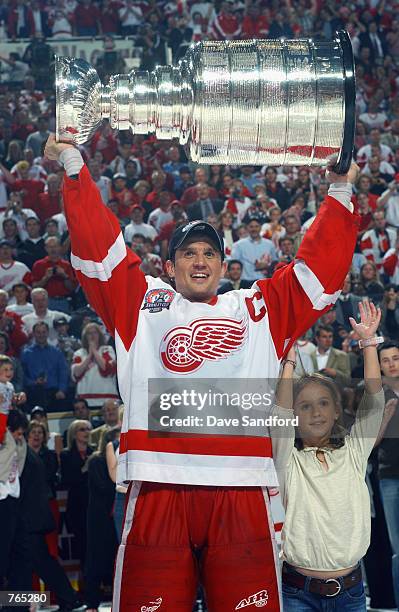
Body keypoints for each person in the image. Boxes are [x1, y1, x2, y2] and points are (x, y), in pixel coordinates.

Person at [46, 135, 359, 612]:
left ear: (223, 266)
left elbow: (318, 275)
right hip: (158, 485)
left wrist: (339, 194)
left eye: (209, 254)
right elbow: (100, 251)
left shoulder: (257, 308)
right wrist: (73, 163)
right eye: (189, 253)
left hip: (241, 489)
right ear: (169, 267)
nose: (200, 261)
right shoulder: (142, 302)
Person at [272, 301, 385, 611]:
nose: (316, 412)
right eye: (305, 406)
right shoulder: (288, 459)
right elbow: (278, 416)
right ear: (294, 416)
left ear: (337, 410)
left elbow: (374, 402)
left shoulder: (354, 451)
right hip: (297, 594)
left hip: (351, 595)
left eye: (323, 403)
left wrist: (368, 344)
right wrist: (289, 364)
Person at [85, 428, 119, 612]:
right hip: (100, 519)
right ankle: (92, 603)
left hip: (112, 517)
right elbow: (105, 488)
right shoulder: (97, 461)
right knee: (95, 560)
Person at [376, 342, 399, 608]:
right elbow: (370, 443)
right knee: (398, 552)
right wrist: (386, 415)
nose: (392, 364)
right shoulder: (376, 395)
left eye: (396, 358)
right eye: (386, 360)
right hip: (389, 476)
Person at [60, 419, 94, 568]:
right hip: (77, 507)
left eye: (88, 429)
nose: (87, 432)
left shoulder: (95, 452)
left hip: (94, 505)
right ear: (74, 434)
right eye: (82, 429)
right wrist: (84, 469)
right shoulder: (66, 455)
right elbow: (67, 480)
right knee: (81, 546)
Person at [20, 321, 70, 412]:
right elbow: (22, 375)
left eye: (44, 332)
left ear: (47, 333)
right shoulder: (26, 353)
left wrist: (62, 390)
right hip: (34, 393)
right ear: (34, 334)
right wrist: (33, 382)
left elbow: (63, 372)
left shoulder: (57, 352)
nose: (41, 335)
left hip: (54, 394)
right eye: (38, 332)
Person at [71, 322, 118, 409]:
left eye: (95, 332)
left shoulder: (107, 350)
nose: (92, 335)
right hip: (85, 401)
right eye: (89, 333)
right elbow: (76, 373)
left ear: (100, 335)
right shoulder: (79, 353)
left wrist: (94, 352)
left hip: (107, 400)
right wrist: (89, 356)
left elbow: (106, 369)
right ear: (85, 336)